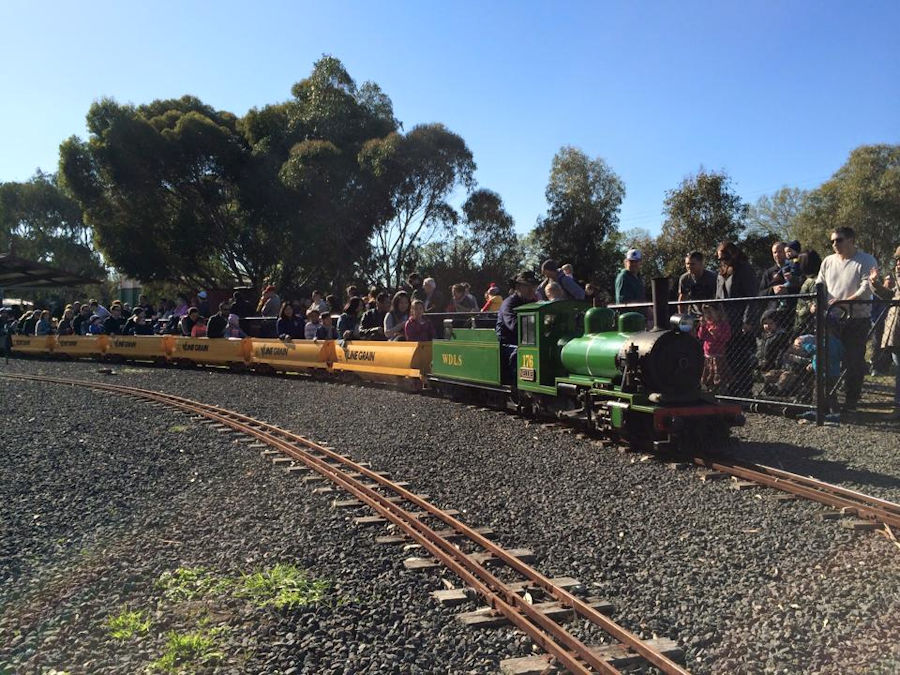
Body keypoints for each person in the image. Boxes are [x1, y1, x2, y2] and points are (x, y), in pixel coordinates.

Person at [815, 226, 878, 412]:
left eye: (839, 240)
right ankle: (829, 402)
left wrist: (843, 302)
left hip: (857, 318)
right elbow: (820, 284)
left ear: (851, 240)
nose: (835, 244)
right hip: (832, 318)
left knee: (854, 361)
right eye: (833, 241)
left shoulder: (866, 260)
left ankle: (851, 401)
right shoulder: (828, 261)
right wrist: (822, 303)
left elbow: (866, 288)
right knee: (828, 359)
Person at [715, 241, 759, 397]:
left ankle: (745, 390)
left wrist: (748, 321)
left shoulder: (745, 269)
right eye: (720, 258)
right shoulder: (722, 271)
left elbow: (751, 297)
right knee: (728, 355)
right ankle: (732, 387)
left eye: (725, 257)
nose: (723, 261)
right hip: (724, 321)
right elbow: (718, 297)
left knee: (741, 356)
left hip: (740, 320)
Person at [870, 245, 900, 419]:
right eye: (897, 261)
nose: (897, 264)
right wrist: (875, 284)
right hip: (895, 331)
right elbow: (890, 296)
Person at [497, 270, 540, 382]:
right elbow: (514, 326)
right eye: (527, 286)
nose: (531, 290)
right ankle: (516, 384)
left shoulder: (535, 303)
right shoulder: (509, 303)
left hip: (529, 342)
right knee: (519, 353)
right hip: (508, 342)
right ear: (518, 287)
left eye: (533, 286)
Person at [697, 303, 731, 392]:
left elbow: (726, 337)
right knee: (707, 375)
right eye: (706, 313)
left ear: (718, 313)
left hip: (718, 355)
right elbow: (701, 336)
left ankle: (720, 390)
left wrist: (716, 334)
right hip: (707, 355)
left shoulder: (722, 325)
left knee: (718, 374)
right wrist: (702, 326)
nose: (708, 315)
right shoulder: (707, 325)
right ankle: (708, 388)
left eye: (710, 312)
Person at [793, 250, 822, 336]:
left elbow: (814, 303)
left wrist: (809, 307)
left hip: (807, 325)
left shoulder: (813, 281)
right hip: (802, 322)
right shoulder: (808, 279)